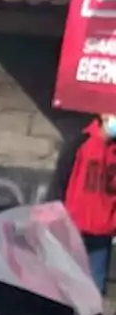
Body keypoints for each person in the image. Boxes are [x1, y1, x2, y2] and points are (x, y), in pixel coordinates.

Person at [50, 114, 116, 291]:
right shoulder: (80, 142)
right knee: (64, 278)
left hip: (102, 228)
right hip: (73, 223)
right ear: (103, 116)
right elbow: (60, 180)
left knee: (95, 282)